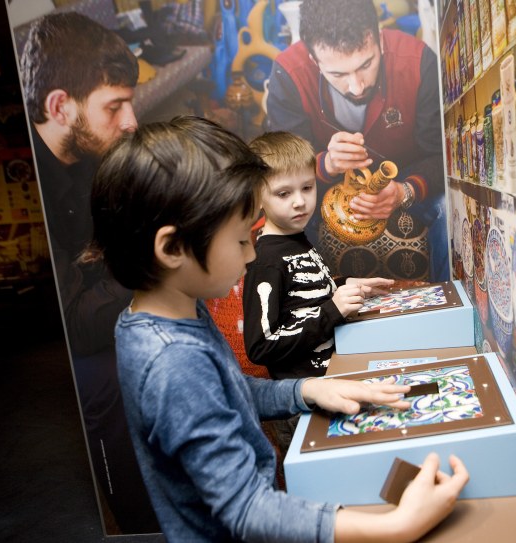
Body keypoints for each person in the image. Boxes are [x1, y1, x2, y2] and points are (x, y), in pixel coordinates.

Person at [90, 115, 469, 542]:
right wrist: (397, 527)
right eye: (239, 241)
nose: (252, 256)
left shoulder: (173, 316)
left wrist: (304, 391)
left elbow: (227, 391)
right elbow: (248, 508)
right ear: (174, 247)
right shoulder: (171, 362)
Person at [18, 12, 158, 532]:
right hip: (46, 355)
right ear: (60, 107)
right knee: (107, 379)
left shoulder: (94, 152)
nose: (130, 121)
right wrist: (151, 265)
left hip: (104, 301)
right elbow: (72, 323)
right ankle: (143, 525)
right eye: (114, 106)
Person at [266, 0, 449, 282]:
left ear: (379, 38)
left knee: (450, 209)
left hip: (408, 178)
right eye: (338, 74)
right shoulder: (289, 72)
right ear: (314, 60)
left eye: (366, 64)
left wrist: (404, 191)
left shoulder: (416, 60)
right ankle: (319, 315)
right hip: (324, 190)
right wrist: (326, 162)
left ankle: (450, 309)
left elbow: (442, 155)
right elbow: (279, 169)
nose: (357, 86)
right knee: (280, 220)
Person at [242, 131, 394, 458]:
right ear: (258, 197)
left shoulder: (297, 236)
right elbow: (261, 344)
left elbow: (302, 296)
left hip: (332, 380)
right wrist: (331, 311)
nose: (299, 201)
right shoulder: (266, 262)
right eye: (283, 193)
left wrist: (345, 284)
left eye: (307, 188)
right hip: (304, 405)